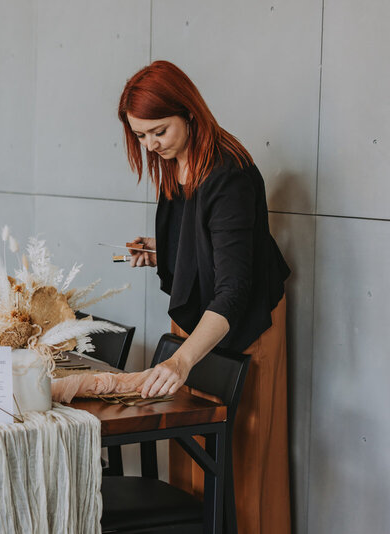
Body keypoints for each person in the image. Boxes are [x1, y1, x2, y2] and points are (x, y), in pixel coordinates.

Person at [118, 61, 292, 534]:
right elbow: (208, 242)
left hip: (241, 325)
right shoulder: (177, 162)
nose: (150, 144)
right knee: (192, 453)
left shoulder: (229, 173)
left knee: (243, 461)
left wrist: (181, 362)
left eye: (158, 130)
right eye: (139, 136)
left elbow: (235, 287)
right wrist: (161, 251)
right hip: (200, 322)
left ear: (190, 113)